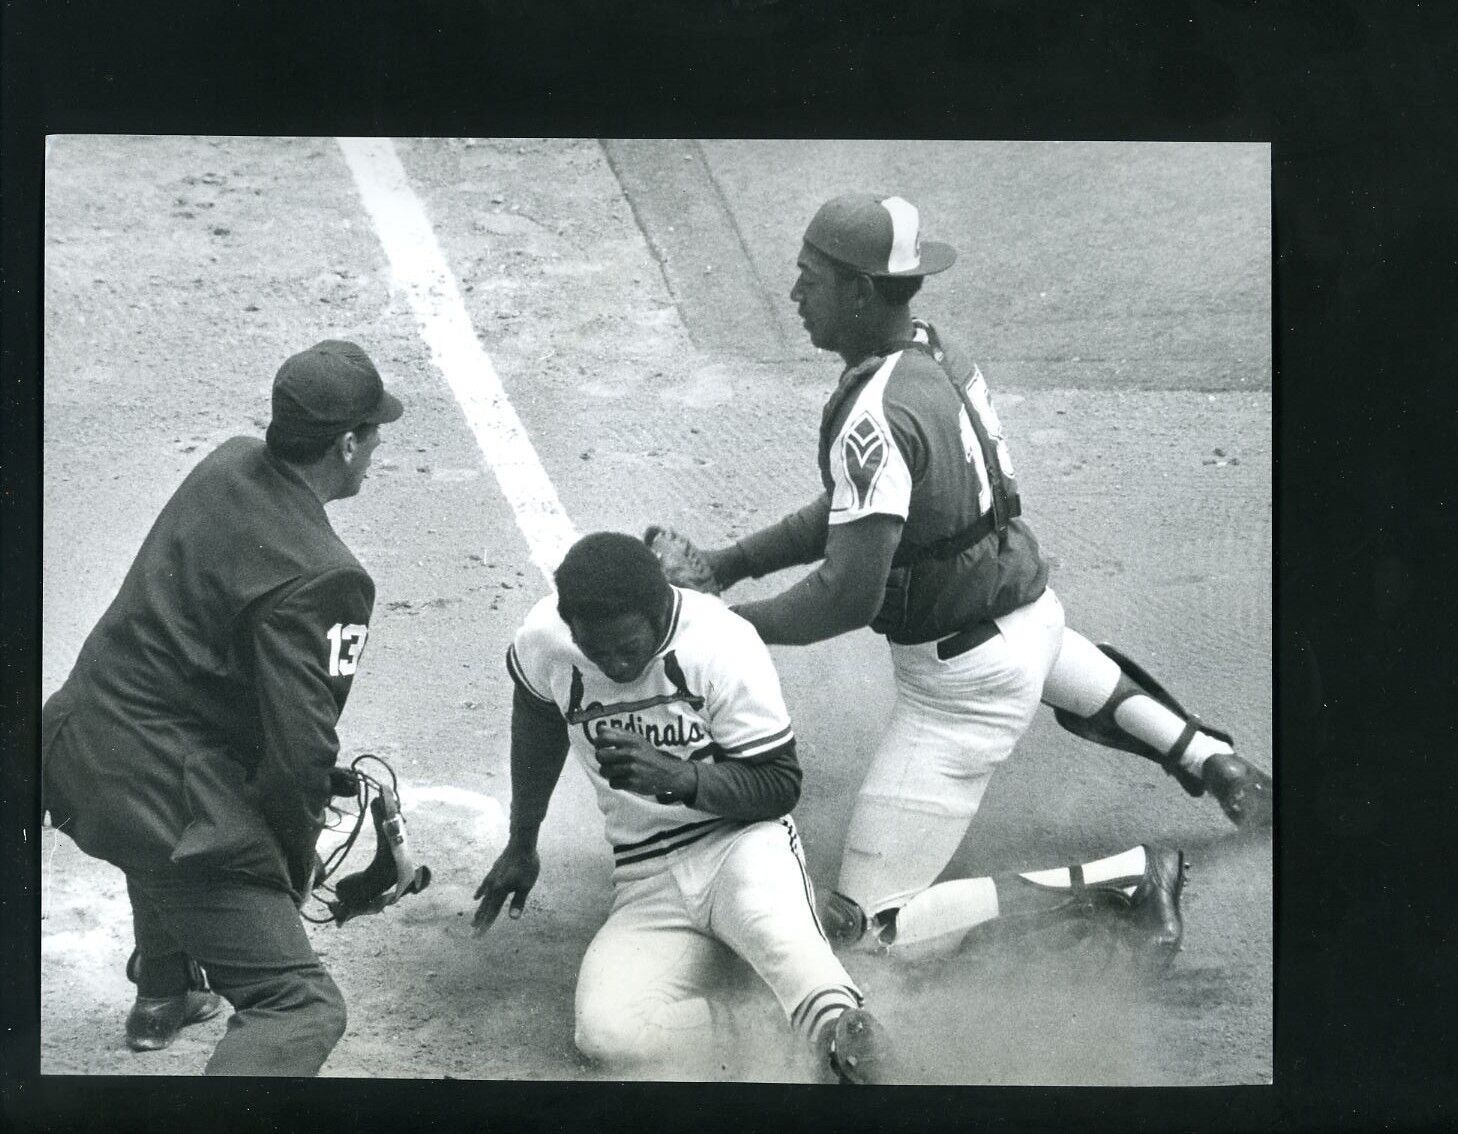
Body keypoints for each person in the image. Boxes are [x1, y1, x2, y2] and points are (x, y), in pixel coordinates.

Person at [648, 193, 1268, 955]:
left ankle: (1126, 879)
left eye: (810, 278)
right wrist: (731, 563)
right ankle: (1214, 760)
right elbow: (862, 507)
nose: (795, 294)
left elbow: (849, 594)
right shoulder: (935, 352)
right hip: (1031, 614)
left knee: (876, 932)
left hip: (966, 691)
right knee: (1057, 654)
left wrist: (724, 624)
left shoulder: (874, 413)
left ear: (861, 291)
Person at [41, 339, 403, 1075]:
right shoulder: (331, 576)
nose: (374, 450)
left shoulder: (226, 464)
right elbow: (301, 755)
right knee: (300, 1005)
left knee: (176, 802)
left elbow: (200, 662)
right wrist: (286, 871)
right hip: (152, 793)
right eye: (372, 434)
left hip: (70, 742)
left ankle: (165, 991)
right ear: (346, 443)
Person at [471, 532, 890, 1083]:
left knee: (811, 983)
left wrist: (681, 778)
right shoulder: (548, 638)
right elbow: (536, 713)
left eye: (627, 647)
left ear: (661, 607)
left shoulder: (723, 643)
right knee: (605, 1035)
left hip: (742, 847)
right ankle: (761, 1021)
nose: (616, 665)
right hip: (646, 878)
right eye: (597, 652)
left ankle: (840, 1035)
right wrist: (523, 841)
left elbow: (780, 784)